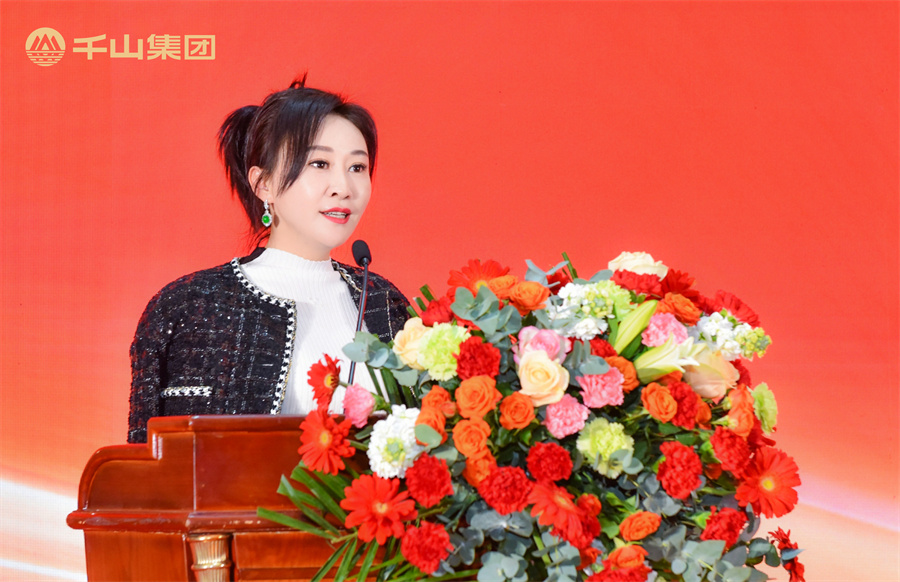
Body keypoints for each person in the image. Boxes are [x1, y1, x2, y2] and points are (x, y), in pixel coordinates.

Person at [127, 77, 409, 444]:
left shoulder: (385, 302)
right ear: (264, 184)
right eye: (320, 163)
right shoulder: (190, 307)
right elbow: (147, 462)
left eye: (357, 167)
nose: (344, 187)